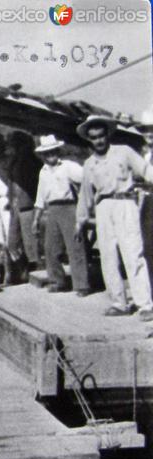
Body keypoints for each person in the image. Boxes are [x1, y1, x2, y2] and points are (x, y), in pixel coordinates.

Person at [75, 115, 153, 321]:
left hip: (125, 203)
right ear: (89, 140)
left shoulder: (124, 152)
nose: (98, 141)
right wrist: (80, 220)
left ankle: (144, 304)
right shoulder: (89, 164)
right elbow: (85, 195)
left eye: (101, 136)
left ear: (107, 134)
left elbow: (146, 171)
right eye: (93, 138)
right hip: (103, 208)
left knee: (132, 253)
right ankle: (119, 302)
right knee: (108, 257)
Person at [31, 135, 89, 296]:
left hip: (69, 207)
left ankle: (82, 285)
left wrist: (83, 198)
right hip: (52, 210)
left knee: (75, 246)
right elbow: (40, 198)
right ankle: (57, 281)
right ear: (42, 155)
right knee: (50, 248)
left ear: (58, 150)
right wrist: (36, 219)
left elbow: (87, 179)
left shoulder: (68, 166)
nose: (51, 154)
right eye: (47, 152)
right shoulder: (42, 172)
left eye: (53, 151)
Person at [5, 131, 42, 270]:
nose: (15, 148)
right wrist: (9, 200)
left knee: (31, 245)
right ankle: (22, 270)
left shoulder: (34, 162)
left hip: (28, 206)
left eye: (17, 145)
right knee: (12, 243)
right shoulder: (14, 162)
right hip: (15, 207)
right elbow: (10, 182)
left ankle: (36, 271)